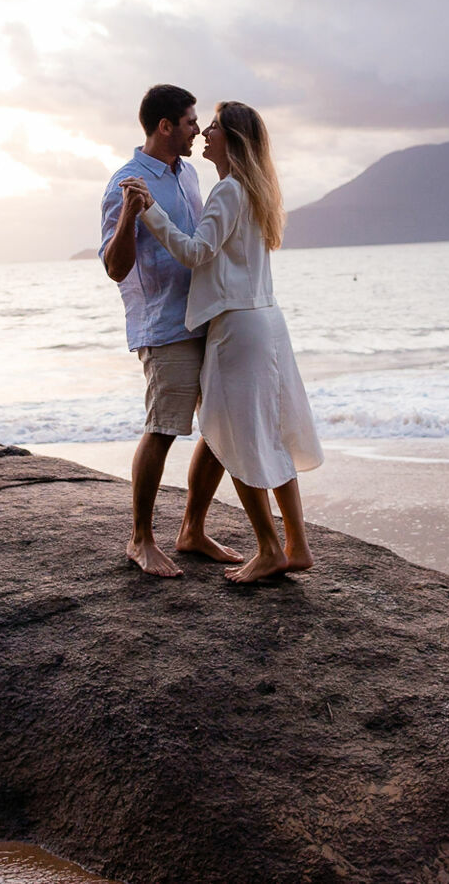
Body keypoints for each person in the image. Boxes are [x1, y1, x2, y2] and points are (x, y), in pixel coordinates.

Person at [121, 101, 322, 583]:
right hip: (266, 322)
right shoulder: (257, 190)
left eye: (212, 126)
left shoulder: (228, 190)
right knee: (269, 432)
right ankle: (296, 544)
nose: (205, 133)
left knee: (236, 438)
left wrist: (149, 211)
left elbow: (196, 252)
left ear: (230, 138)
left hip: (237, 329)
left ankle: (270, 549)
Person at [100, 84, 243, 577]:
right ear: (165, 126)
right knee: (163, 429)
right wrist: (128, 218)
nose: (197, 130)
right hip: (163, 326)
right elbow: (116, 268)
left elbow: (199, 244)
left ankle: (192, 530)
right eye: (189, 122)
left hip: (206, 318)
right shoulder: (127, 181)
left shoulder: (191, 175)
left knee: (221, 427)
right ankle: (140, 540)